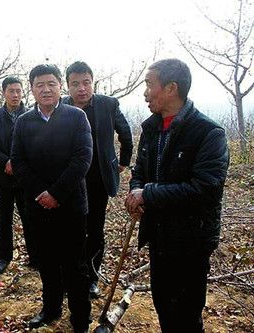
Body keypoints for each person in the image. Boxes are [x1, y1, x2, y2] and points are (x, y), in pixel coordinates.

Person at [125, 58, 229, 333]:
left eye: (149, 85)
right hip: (159, 235)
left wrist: (147, 193)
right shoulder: (152, 129)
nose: (145, 92)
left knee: (186, 312)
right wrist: (136, 192)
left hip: (191, 239)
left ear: (171, 88)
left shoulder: (208, 133)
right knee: (163, 304)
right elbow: (140, 170)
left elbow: (205, 189)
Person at [11, 64, 92, 333]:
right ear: (31, 89)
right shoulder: (23, 122)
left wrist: (56, 193)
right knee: (47, 262)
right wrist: (41, 194)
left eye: (51, 84)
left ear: (61, 86)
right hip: (37, 206)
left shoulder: (76, 117)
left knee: (75, 265)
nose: (45, 89)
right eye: (39, 85)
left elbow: (83, 159)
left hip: (71, 205)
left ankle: (80, 318)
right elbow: (19, 162)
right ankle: (51, 308)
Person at [64, 61, 133, 297]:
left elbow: (125, 133)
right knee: (72, 229)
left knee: (95, 229)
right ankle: (71, 275)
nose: (82, 88)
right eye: (75, 84)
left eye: (86, 83)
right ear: (68, 86)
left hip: (98, 179)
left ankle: (92, 277)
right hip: (69, 180)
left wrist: (123, 162)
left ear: (93, 83)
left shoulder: (108, 104)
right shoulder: (60, 106)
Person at [0, 76, 39, 274]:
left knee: (29, 217)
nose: (15, 95)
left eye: (18, 91)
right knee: (4, 218)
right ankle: (4, 257)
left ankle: (35, 257)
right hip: (2, 176)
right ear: (4, 93)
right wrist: (5, 161)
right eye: (11, 91)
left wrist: (17, 164)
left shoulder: (32, 115)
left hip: (26, 177)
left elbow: (35, 144)